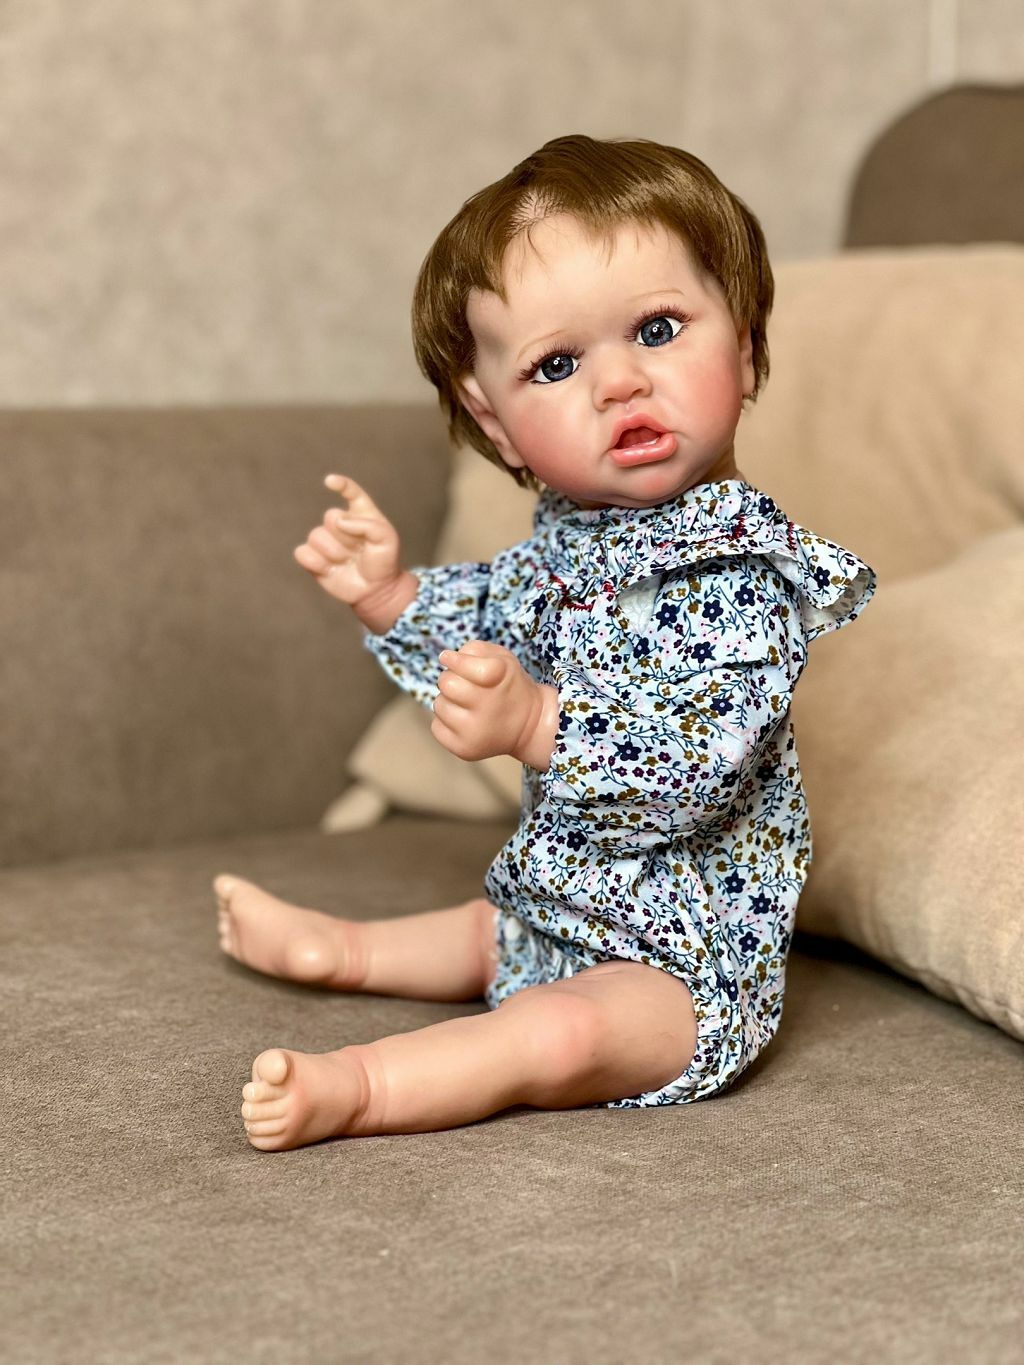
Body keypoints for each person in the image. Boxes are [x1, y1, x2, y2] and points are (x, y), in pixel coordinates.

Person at [214, 134, 876, 1151]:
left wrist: (533, 723)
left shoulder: (746, 574)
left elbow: (697, 763)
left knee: (556, 1031)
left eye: (657, 329)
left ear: (744, 348)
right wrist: (390, 596)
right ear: (497, 424)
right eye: (557, 365)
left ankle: (361, 1086)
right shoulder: (565, 547)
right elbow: (486, 614)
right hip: (561, 904)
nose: (619, 383)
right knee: (490, 928)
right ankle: (338, 950)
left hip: (684, 973)